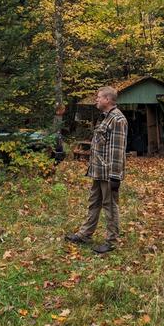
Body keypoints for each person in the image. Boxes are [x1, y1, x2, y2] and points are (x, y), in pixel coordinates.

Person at [65, 86, 128, 254]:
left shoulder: (117, 120)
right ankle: (85, 234)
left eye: (99, 97)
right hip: (99, 171)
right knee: (94, 202)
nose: (96, 100)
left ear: (107, 99)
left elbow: (117, 150)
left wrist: (115, 176)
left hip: (109, 173)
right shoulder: (105, 118)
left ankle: (111, 241)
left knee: (110, 206)